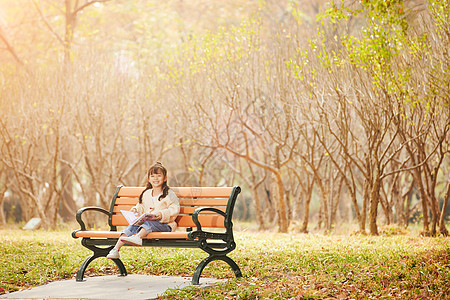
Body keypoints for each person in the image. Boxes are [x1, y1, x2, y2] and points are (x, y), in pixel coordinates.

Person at [106, 162, 180, 259]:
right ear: (149, 179)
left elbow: (175, 208)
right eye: (152, 176)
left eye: (159, 176)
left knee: (148, 222)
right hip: (147, 224)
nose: (155, 178)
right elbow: (141, 205)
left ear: (165, 178)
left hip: (165, 225)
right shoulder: (146, 193)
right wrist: (135, 209)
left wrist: (161, 214)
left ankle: (138, 237)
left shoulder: (169, 194)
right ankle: (116, 249)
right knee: (133, 224)